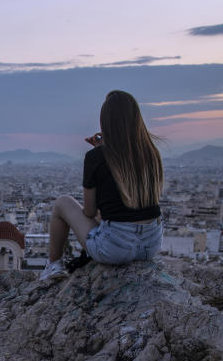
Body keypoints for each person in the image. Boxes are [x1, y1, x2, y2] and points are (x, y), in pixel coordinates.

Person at [40, 90, 163, 281]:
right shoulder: (151, 153)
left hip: (114, 249)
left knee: (62, 203)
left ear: (105, 121)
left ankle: (53, 266)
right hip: (151, 246)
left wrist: (99, 153)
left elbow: (89, 212)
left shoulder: (95, 158)